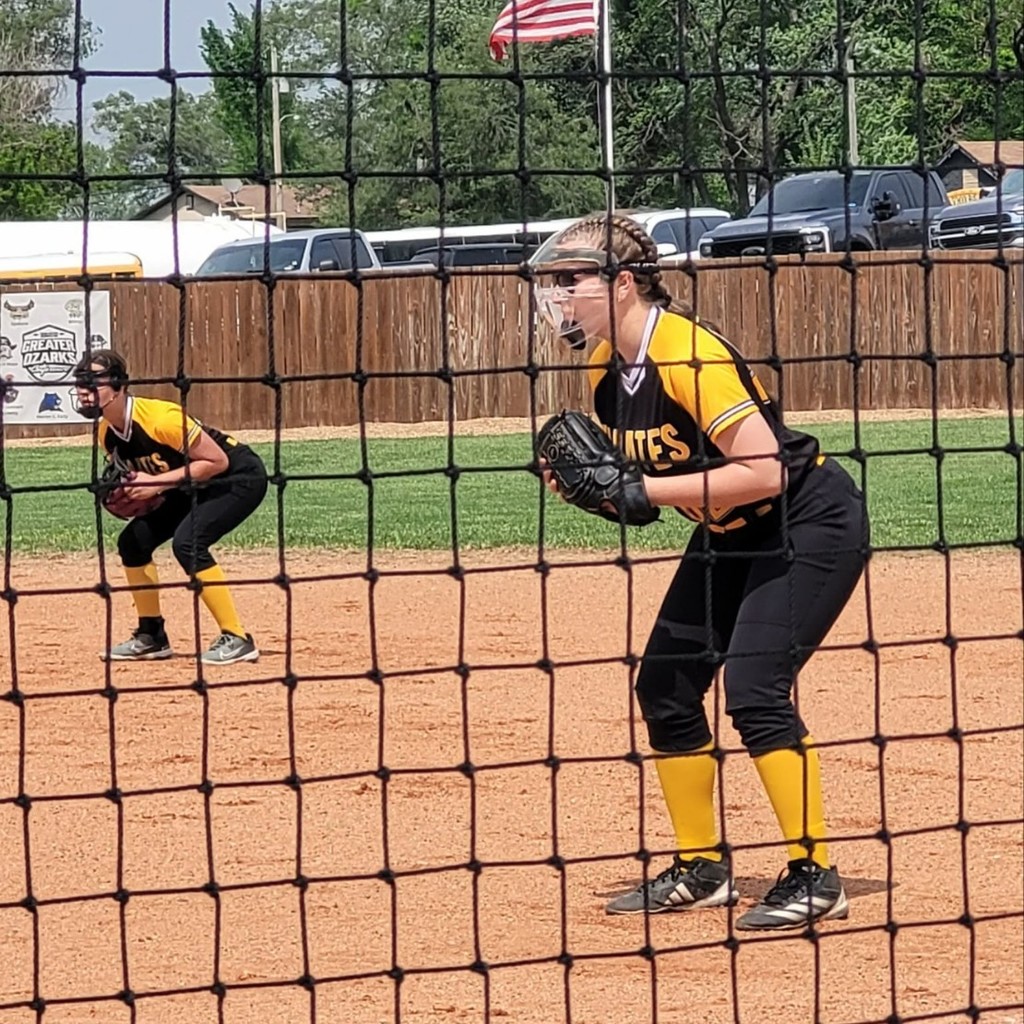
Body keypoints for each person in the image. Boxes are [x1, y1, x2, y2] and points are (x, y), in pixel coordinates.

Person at [531, 214, 869, 930]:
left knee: (755, 689)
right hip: (728, 533)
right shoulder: (603, 368)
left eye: (571, 281)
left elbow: (765, 471)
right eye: (553, 283)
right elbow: (651, 494)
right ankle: (702, 867)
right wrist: (602, 494)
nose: (557, 296)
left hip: (808, 522)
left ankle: (816, 875)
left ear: (623, 285)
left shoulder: (688, 355)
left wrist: (638, 489)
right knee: (666, 686)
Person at [73, 349, 268, 665]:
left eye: (94, 382)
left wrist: (156, 484)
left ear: (120, 386)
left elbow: (218, 461)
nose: (84, 389)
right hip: (188, 484)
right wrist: (142, 494)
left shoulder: (160, 419)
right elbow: (154, 479)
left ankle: (237, 638)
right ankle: (151, 636)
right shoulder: (106, 434)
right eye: (81, 382)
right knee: (133, 542)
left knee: (188, 543)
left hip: (237, 477)